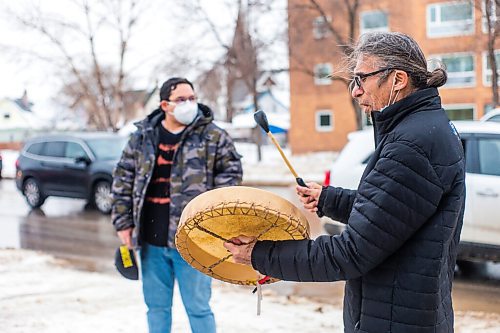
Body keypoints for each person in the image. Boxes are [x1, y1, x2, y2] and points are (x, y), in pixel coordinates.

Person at [224, 32, 465, 333]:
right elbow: (393, 214)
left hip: (394, 321)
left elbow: (350, 253)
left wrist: (260, 255)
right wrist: (329, 199)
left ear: (398, 79)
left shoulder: (411, 144)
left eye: (362, 79)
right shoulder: (426, 128)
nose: (355, 91)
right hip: (405, 313)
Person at [112, 77, 243, 333]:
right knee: (157, 308)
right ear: (165, 105)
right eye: (181, 100)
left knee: (198, 307)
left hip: (194, 242)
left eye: (192, 98)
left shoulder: (213, 136)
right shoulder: (142, 138)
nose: (189, 104)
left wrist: (213, 218)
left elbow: (231, 178)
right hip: (151, 242)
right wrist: (123, 223)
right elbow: (122, 180)